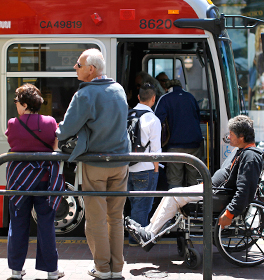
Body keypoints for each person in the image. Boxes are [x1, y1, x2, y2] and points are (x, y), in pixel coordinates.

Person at [125, 115, 263, 251]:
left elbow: (244, 190)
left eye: (232, 134)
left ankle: (150, 234)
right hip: (212, 190)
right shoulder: (241, 151)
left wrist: (230, 212)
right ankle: (149, 231)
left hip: (216, 194)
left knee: (174, 194)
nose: (229, 137)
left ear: (242, 137)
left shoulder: (250, 156)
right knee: (174, 193)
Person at [56, 48, 130, 280]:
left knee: (96, 219)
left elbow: (66, 129)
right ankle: (117, 268)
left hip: (96, 163)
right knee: (115, 218)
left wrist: (56, 129)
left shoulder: (85, 95)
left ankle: (102, 268)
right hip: (121, 162)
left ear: (91, 69)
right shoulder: (119, 89)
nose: (75, 68)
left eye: (78, 65)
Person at [5, 84, 65, 280]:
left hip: (19, 181)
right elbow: (54, 144)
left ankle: (16, 270)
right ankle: (51, 271)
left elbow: (12, 142)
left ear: (24, 104)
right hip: (44, 179)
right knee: (46, 224)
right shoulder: (50, 122)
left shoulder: (13, 123)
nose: (15, 105)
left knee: (18, 222)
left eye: (16, 102)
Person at [127, 83, 162, 246]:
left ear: (139, 97)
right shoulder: (153, 120)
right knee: (142, 207)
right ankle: (136, 241)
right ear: (153, 99)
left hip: (125, 168)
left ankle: (130, 238)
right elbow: (156, 150)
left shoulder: (127, 116)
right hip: (145, 169)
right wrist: (156, 170)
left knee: (131, 204)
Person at [154, 79, 203, 188]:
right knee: (194, 178)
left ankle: (176, 204)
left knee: (174, 179)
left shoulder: (165, 98)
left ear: (167, 88)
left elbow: (157, 120)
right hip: (194, 145)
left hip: (175, 146)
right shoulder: (190, 97)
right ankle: (193, 203)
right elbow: (198, 117)